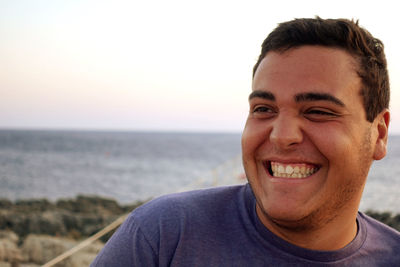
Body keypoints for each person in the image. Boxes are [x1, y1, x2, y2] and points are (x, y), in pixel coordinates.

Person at [91, 17, 400, 266]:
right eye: (264, 109)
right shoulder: (164, 236)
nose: (282, 135)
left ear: (379, 134)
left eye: (318, 111)